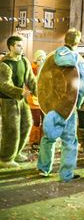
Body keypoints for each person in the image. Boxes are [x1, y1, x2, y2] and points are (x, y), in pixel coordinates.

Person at [37, 28, 84, 182]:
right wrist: (77, 103)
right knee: (70, 141)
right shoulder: (78, 59)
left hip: (50, 104)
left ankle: (43, 168)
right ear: (77, 42)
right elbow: (82, 86)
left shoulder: (51, 56)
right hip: (68, 107)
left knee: (48, 137)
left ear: (65, 39)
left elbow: (41, 80)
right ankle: (66, 174)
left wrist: (45, 102)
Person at [0, 35, 37, 168]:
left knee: (27, 124)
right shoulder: (5, 64)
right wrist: (19, 91)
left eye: (22, 45)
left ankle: (16, 153)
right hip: (8, 101)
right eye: (19, 46)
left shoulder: (24, 61)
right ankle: (5, 158)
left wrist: (40, 92)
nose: (22, 48)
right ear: (11, 47)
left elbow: (31, 80)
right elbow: (3, 85)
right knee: (11, 130)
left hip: (21, 100)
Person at [27, 50, 46, 150]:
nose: (41, 61)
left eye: (43, 59)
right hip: (34, 101)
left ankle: (43, 139)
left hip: (45, 101)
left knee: (45, 121)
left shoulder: (47, 71)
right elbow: (28, 85)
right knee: (36, 121)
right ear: (35, 60)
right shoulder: (31, 70)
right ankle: (34, 141)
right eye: (39, 59)